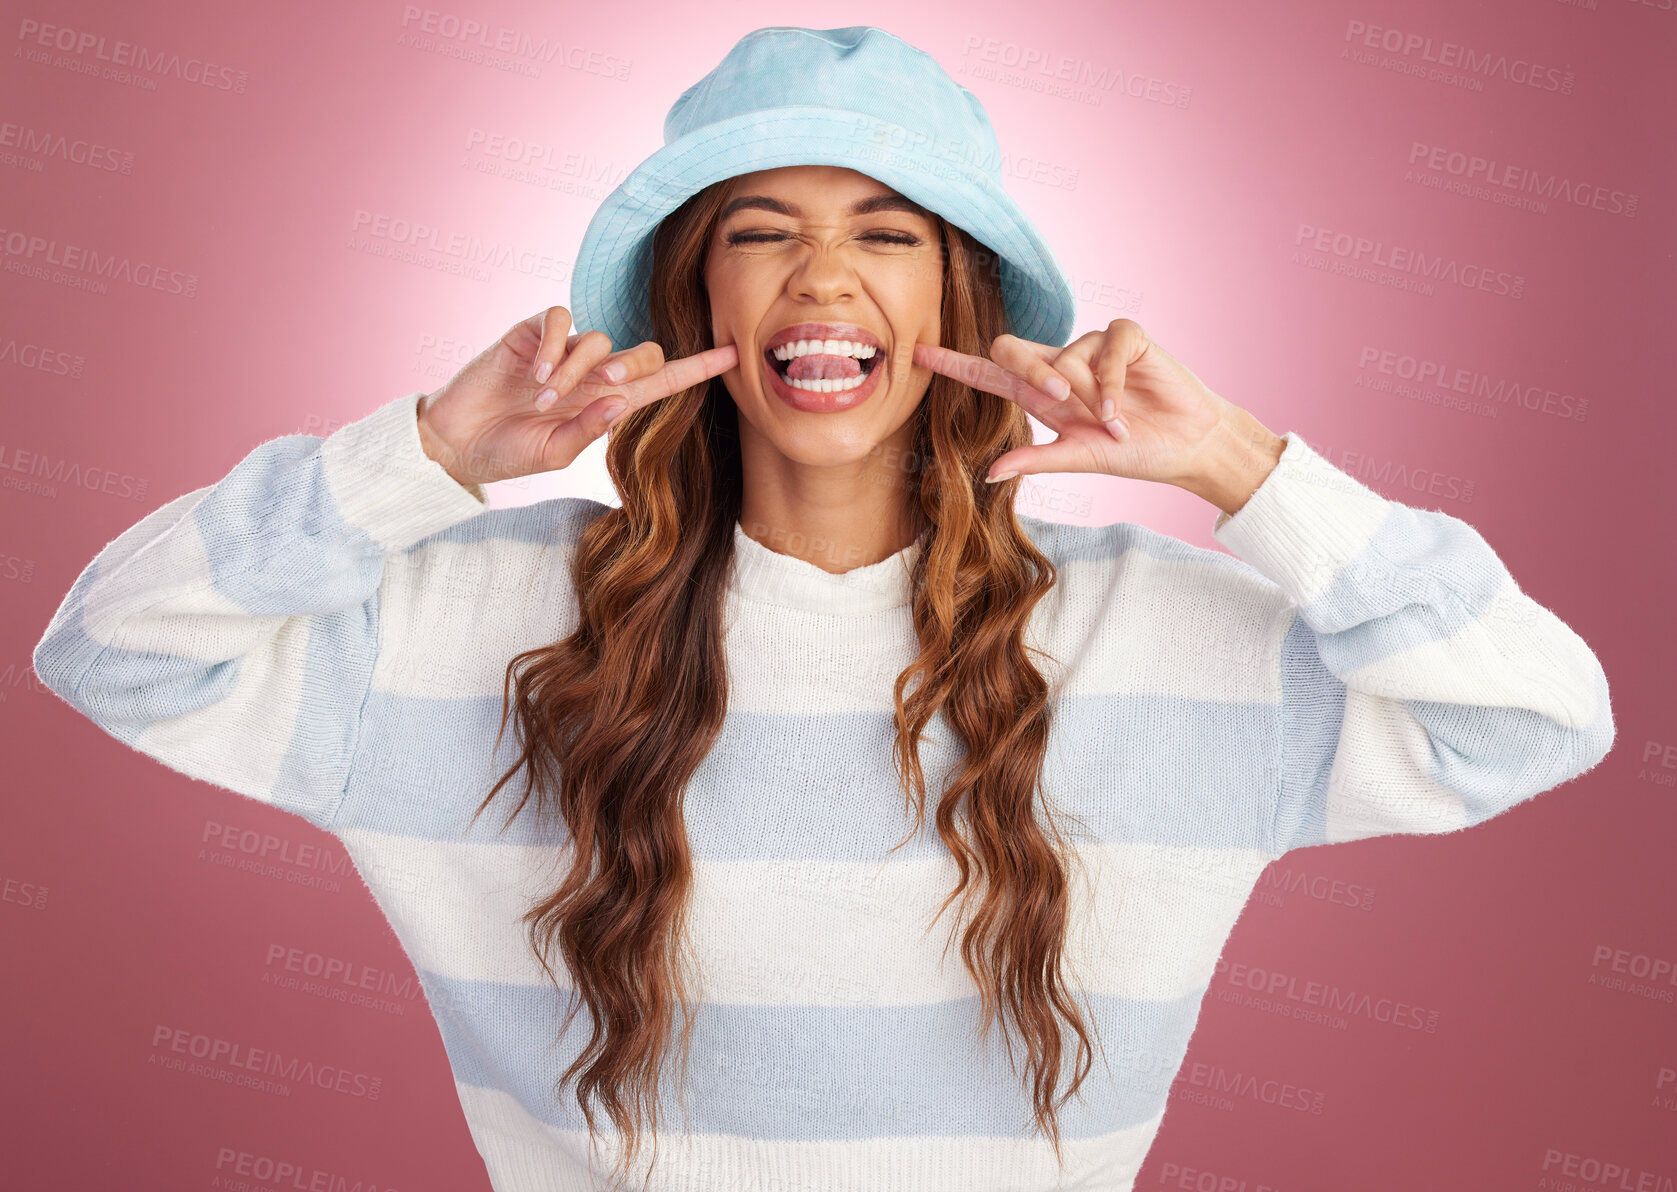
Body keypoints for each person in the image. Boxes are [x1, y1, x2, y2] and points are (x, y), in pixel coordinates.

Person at [31, 24, 1614, 1192]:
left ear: (954, 299)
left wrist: (1238, 466)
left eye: (884, 233)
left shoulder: (1165, 636)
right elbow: (115, 649)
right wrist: (429, 456)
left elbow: (1529, 716)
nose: (822, 280)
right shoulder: (475, 623)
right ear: (694, 297)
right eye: (761, 233)